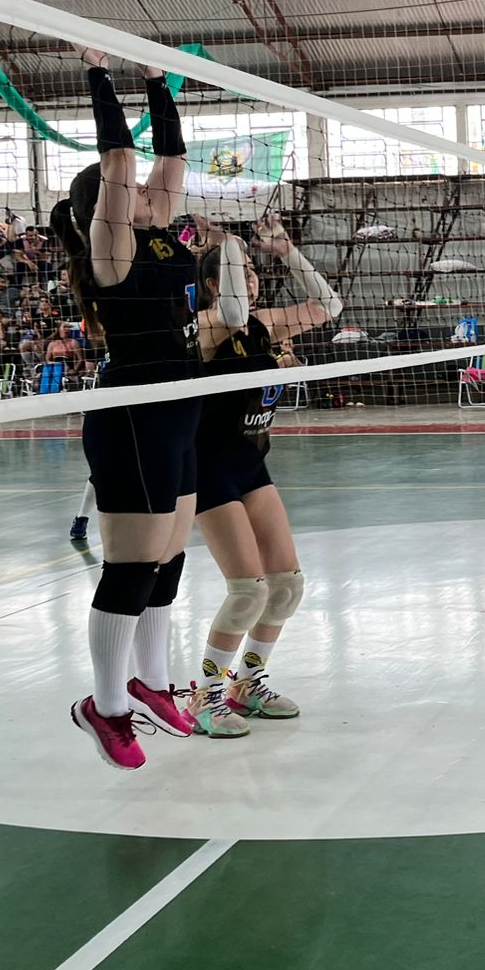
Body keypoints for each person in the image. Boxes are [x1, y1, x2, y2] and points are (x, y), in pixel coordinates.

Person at [52, 47, 201, 771]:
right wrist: (100, 73)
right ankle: (105, 707)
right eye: (132, 188)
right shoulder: (110, 249)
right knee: (132, 566)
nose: (147, 188)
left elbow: (170, 159)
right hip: (136, 411)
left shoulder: (160, 232)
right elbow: (119, 156)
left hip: (179, 405)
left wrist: (156, 82)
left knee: (169, 558)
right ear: (103, 208)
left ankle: (153, 681)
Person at [186, 213, 342, 737]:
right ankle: (203, 697)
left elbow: (329, 305)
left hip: (252, 465)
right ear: (214, 282)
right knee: (247, 592)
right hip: (208, 472)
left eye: (254, 271)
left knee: (286, 588)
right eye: (241, 270)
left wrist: (285, 252)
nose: (251, 277)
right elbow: (230, 308)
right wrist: (228, 241)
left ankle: (246, 684)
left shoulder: (266, 324)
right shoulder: (208, 327)